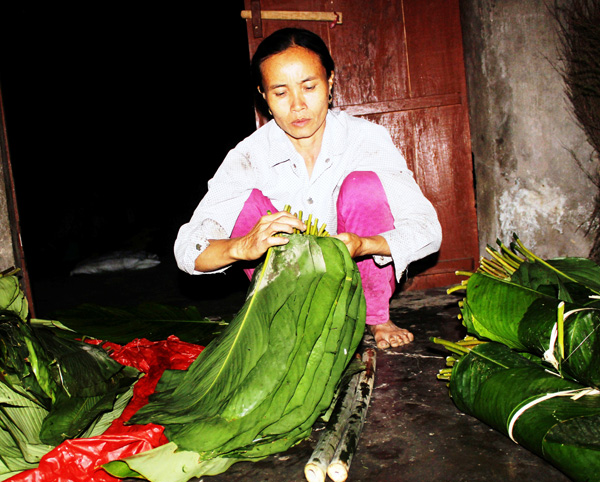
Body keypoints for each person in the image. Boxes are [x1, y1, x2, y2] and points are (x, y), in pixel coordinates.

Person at [174, 28, 441, 349]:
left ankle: (375, 316)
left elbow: (427, 231)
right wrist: (241, 247)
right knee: (248, 204)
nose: (298, 105)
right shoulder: (248, 155)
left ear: (330, 83)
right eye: (280, 93)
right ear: (263, 96)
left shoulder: (367, 139)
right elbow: (188, 251)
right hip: (288, 284)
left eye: (309, 86)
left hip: (357, 276)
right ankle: (283, 315)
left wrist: (363, 244)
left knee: (363, 187)